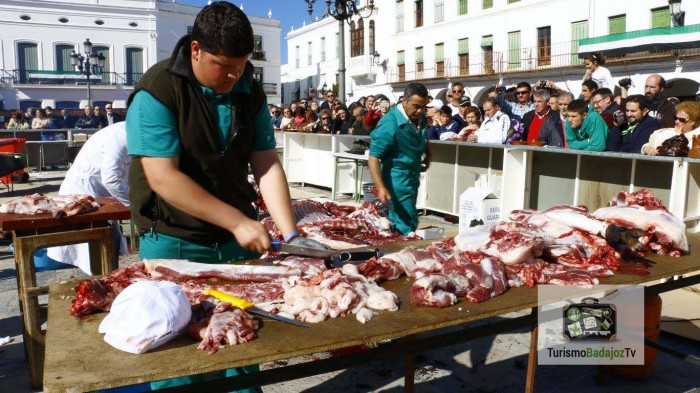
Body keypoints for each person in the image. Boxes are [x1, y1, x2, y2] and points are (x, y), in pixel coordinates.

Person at [125, 3, 327, 390]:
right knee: (177, 360)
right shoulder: (159, 89)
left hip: (236, 241)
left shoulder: (248, 87)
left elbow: (266, 162)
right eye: (223, 64)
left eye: (242, 63)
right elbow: (163, 177)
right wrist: (237, 221)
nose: (234, 74)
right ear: (196, 49)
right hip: (173, 238)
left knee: (243, 348)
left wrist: (292, 233)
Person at [46, 122, 130, 275]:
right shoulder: (121, 136)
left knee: (108, 247)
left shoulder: (132, 133)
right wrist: (134, 205)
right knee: (97, 251)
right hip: (83, 192)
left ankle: (106, 283)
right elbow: (111, 179)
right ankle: (103, 287)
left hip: (101, 196)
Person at [369, 83, 430, 235]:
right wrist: (381, 187)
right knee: (403, 224)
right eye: (416, 106)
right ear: (404, 100)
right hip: (397, 179)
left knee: (409, 218)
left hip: (412, 175)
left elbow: (422, 135)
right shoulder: (390, 123)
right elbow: (373, 156)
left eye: (423, 106)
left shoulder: (420, 116)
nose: (420, 111)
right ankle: (402, 252)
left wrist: (427, 153)